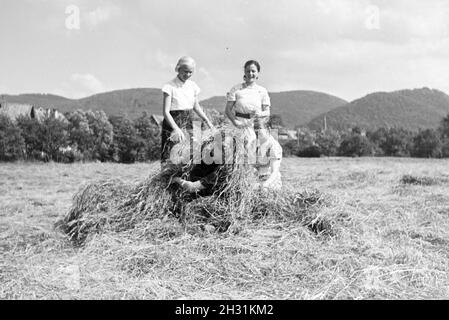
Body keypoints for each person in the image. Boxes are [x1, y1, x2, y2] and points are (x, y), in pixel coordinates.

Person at [161, 56, 214, 169]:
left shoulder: (193, 86)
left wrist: (207, 121)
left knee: (190, 154)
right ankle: (168, 182)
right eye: (185, 71)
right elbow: (166, 112)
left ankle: (186, 181)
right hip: (173, 122)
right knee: (171, 155)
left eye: (191, 72)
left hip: (189, 121)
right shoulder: (169, 86)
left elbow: (196, 106)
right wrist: (176, 128)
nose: (188, 75)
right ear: (178, 69)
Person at [225, 60, 271, 163]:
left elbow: (267, 112)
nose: (251, 74)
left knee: (255, 151)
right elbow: (228, 110)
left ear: (258, 73)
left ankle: (254, 173)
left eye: (253, 71)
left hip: (255, 124)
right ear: (244, 73)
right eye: (248, 71)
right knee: (235, 152)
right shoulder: (236, 89)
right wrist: (235, 122)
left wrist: (260, 114)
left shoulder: (262, 91)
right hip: (239, 123)